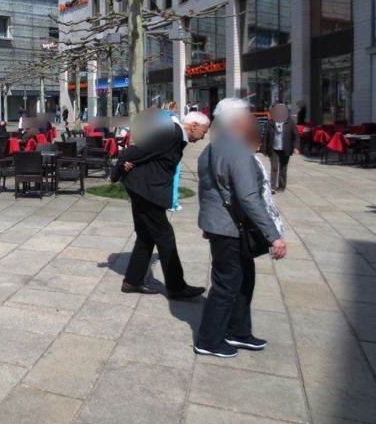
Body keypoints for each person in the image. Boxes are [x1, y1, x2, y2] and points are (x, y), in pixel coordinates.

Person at [193, 98, 287, 358]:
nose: (252, 122)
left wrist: (207, 223)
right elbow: (248, 198)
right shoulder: (237, 151)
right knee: (226, 284)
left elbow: (207, 189)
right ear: (237, 122)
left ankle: (239, 331)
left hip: (222, 226)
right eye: (248, 117)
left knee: (243, 278)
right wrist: (274, 236)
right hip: (229, 228)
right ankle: (209, 340)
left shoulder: (211, 149)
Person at [110, 110, 211, 298]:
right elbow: (137, 151)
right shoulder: (171, 133)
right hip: (146, 192)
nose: (204, 136)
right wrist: (118, 171)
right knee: (166, 238)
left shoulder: (176, 136)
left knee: (146, 237)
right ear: (194, 126)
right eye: (204, 131)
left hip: (145, 189)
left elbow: (152, 157)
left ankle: (132, 281)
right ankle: (176, 287)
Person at [263, 103, 300, 193]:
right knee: (274, 167)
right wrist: (264, 150)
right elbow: (265, 137)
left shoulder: (290, 122)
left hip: (285, 148)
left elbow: (296, 136)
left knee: (283, 168)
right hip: (273, 148)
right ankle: (272, 186)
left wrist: (296, 147)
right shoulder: (270, 122)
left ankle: (281, 186)